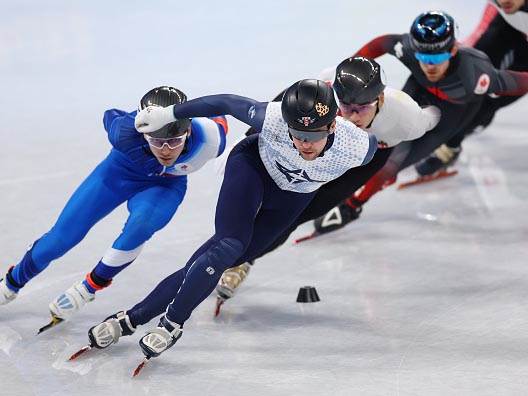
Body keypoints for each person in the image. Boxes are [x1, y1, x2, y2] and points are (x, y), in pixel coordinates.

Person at [82, 79, 377, 360]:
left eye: (314, 136)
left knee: (221, 260)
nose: (306, 145)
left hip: (294, 195)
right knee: (228, 245)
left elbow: (373, 162)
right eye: (298, 135)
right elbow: (225, 102)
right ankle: (171, 325)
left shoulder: (358, 148)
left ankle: (131, 319)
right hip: (252, 168)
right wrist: (170, 113)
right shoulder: (271, 117)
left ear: (334, 124)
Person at [216, 56, 441, 305]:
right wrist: (245, 140)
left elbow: (431, 122)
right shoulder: (327, 86)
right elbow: (280, 107)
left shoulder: (407, 118)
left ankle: (244, 261)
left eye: (362, 108)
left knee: (296, 216)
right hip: (324, 140)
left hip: (366, 157)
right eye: (346, 106)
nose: (353, 117)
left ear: (381, 99)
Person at [0, 86, 228, 329]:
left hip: (164, 187)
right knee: (61, 238)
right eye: (156, 141)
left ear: (189, 129)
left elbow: (220, 110)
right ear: (143, 133)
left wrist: (88, 287)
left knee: (142, 225)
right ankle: (10, 283)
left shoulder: (212, 140)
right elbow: (111, 115)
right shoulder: (123, 133)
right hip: (119, 172)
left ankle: (89, 288)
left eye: (174, 141)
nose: (166, 150)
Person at [309, 10, 528, 235]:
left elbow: (516, 83)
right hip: (417, 91)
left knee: (395, 161)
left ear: (453, 50)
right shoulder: (409, 48)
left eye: (436, 59)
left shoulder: (476, 73)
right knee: (378, 136)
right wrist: (345, 70)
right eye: (423, 58)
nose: (429, 66)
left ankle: (352, 207)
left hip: (455, 110)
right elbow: (380, 44)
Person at [415, 0, 528, 176]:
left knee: (491, 98)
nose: (504, 0)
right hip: (510, 27)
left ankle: (451, 146)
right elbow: (485, 27)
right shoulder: (503, 4)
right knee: (472, 75)